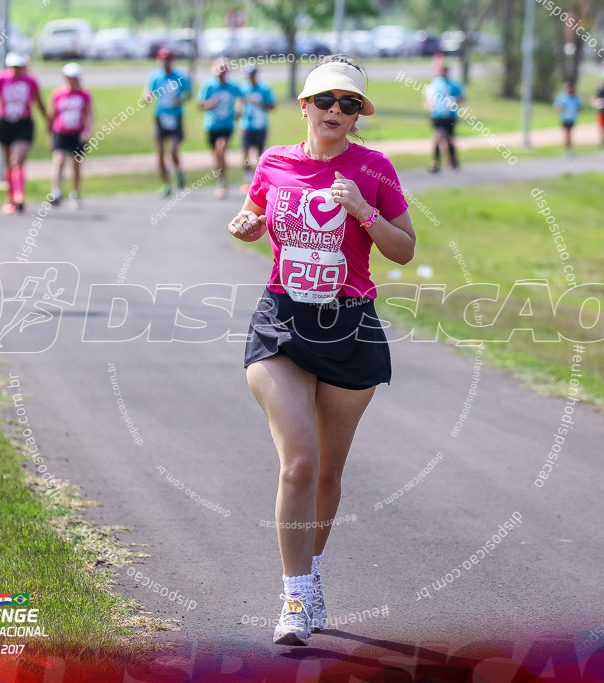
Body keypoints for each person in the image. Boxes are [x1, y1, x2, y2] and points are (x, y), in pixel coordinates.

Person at [227, 55, 415, 646]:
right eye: (327, 101)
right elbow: (256, 210)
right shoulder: (274, 161)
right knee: (300, 462)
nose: (337, 111)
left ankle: (308, 575)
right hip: (281, 320)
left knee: (329, 470)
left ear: (359, 116)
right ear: (305, 106)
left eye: (350, 104)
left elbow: (405, 249)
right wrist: (247, 223)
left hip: (350, 327)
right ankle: (294, 596)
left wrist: (364, 210)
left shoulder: (375, 168)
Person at [0, 53, 50, 214]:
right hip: (5, 123)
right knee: (8, 163)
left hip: (23, 124)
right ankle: (10, 198)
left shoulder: (30, 81)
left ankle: (19, 195)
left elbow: (39, 102)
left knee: (17, 160)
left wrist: (48, 121)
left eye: (19, 67)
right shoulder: (0, 79)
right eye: (13, 67)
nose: (16, 70)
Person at [144, 47, 192, 197]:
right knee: (160, 153)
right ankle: (165, 183)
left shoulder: (180, 76)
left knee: (173, 150)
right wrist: (146, 97)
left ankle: (178, 171)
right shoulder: (155, 77)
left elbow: (189, 93)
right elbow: (147, 91)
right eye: (163, 60)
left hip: (175, 116)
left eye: (168, 60)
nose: (165, 63)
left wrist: (181, 99)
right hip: (161, 116)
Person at [49, 62, 93, 210]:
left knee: (76, 165)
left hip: (77, 133)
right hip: (61, 131)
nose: (71, 80)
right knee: (59, 160)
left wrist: (87, 131)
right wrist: (50, 134)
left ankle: (74, 193)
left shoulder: (84, 94)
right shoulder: (58, 93)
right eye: (68, 77)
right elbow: (52, 114)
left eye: (73, 77)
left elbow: (90, 115)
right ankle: (56, 191)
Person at [198, 58, 244, 198]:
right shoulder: (209, 86)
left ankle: (222, 181)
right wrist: (210, 104)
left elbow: (241, 97)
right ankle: (220, 178)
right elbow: (201, 105)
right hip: (212, 124)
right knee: (216, 154)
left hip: (227, 124)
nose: (221, 75)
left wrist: (238, 110)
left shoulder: (232, 85)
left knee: (221, 148)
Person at [237, 65, 276, 193]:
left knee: (260, 154)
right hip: (246, 125)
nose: (251, 77)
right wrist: (238, 112)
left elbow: (272, 106)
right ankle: (247, 179)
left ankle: (260, 179)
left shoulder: (264, 88)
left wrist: (260, 103)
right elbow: (240, 102)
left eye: (253, 74)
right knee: (245, 152)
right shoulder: (243, 88)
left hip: (260, 125)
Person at [423, 64, 464, 172]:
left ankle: (452, 159)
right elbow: (427, 99)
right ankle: (435, 162)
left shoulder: (454, 85)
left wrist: (454, 102)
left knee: (449, 138)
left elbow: (462, 97)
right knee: (438, 136)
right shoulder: (434, 84)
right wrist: (430, 108)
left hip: (450, 116)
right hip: (437, 115)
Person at [554, 81, 581, 158]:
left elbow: (579, 107)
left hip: (572, 118)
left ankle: (569, 150)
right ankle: (567, 150)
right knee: (566, 134)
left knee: (569, 134)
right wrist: (560, 107)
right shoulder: (561, 97)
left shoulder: (575, 98)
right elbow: (556, 107)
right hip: (564, 118)